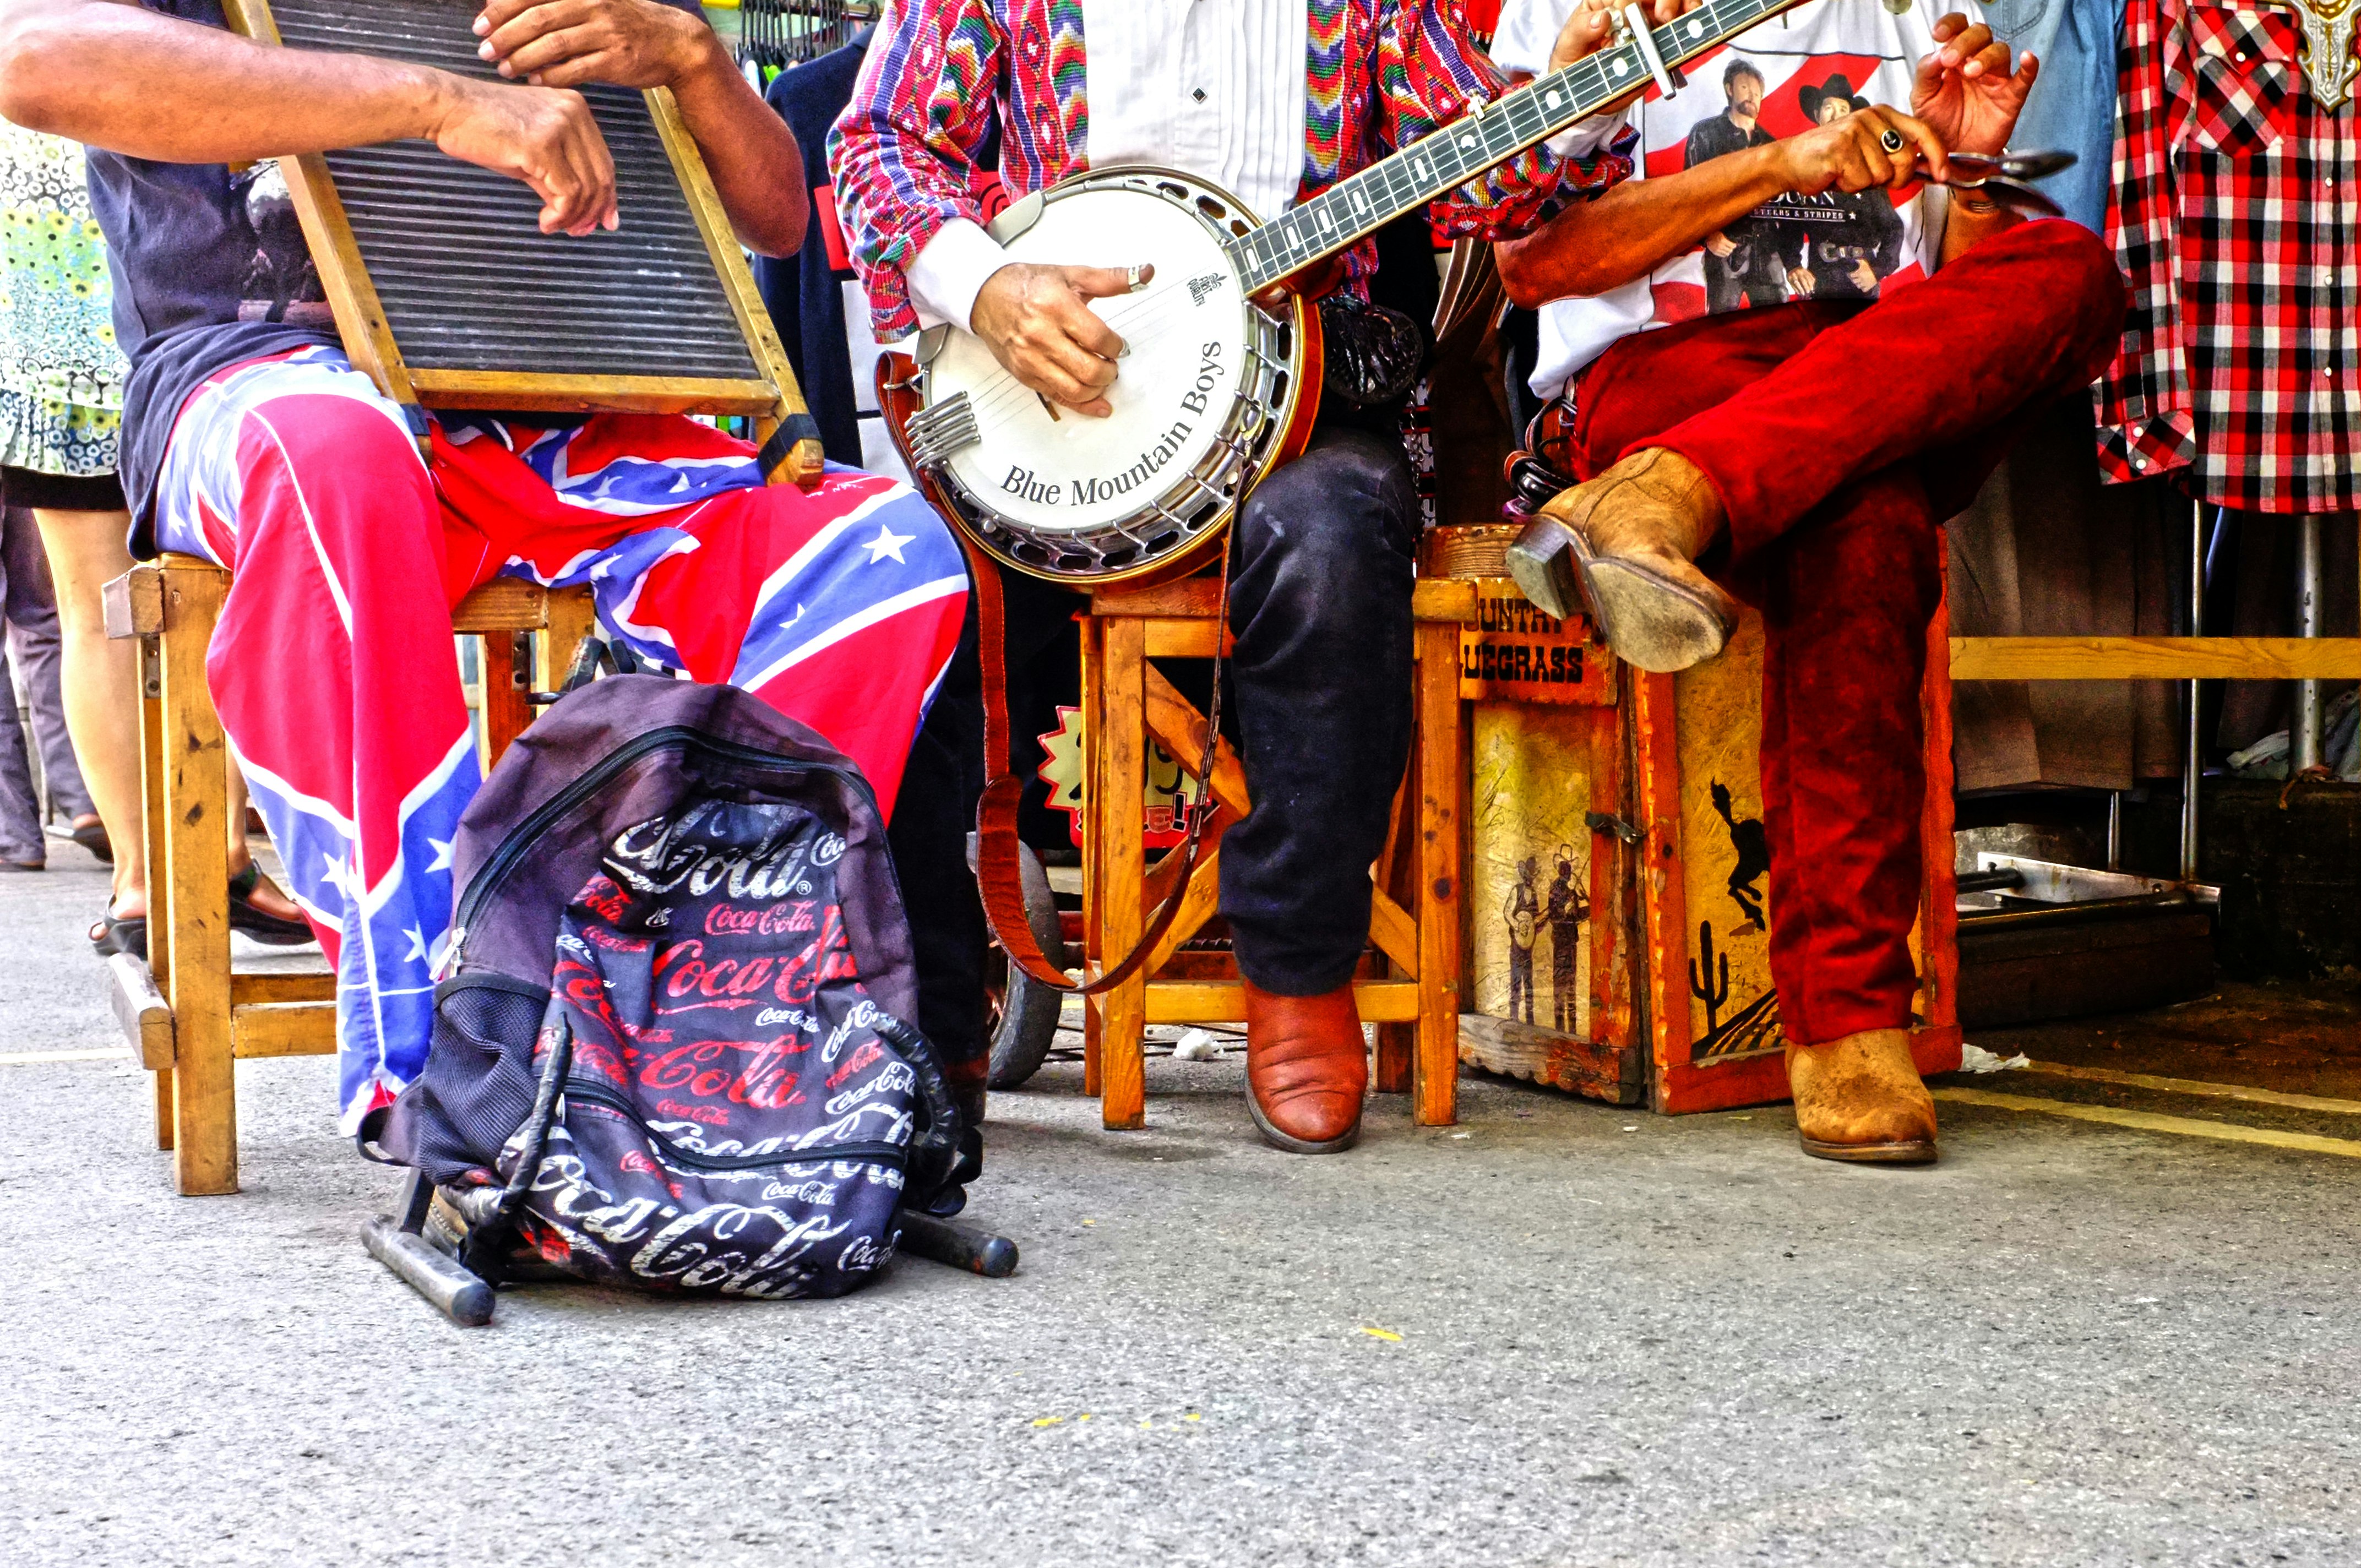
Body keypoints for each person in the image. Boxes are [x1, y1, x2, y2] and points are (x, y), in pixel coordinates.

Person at [0, 0, 970, 1136]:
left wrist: (696, 59)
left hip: (554, 409)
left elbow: (772, 217)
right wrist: (441, 102)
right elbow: (34, 59)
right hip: (259, 378)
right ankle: (455, 1063)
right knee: (338, 463)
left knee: (883, 553)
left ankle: (698, 1029)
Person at [830, 0, 1657, 1154]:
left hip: (1302, 400)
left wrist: (1571, 108)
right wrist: (986, 287)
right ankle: (919, 990)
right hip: (1045, 417)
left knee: (1335, 539)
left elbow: (1487, 189)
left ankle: (1297, 958)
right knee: (898, 574)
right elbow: (873, 145)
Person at [1490, 0, 2127, 1164]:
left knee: (2073, 267)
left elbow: (1959, 301)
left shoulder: (1904, 8)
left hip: (1858, 369)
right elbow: (1536, 261)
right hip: (1660, 371)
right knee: (1869, 522)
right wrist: (1782, 162)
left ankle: (1673, 494)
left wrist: (1969, 171)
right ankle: (1846, 1021)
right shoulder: (1575, 13)